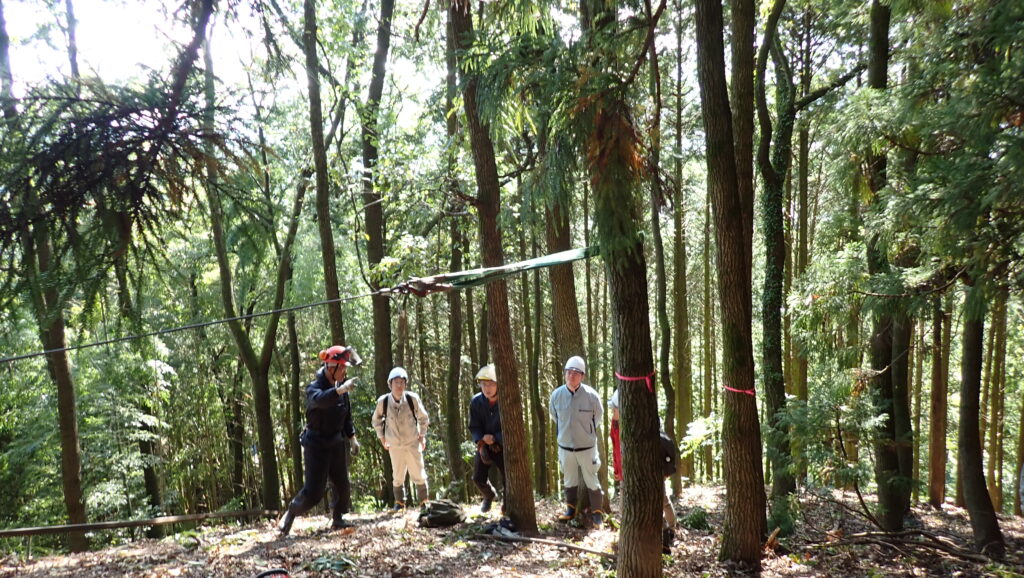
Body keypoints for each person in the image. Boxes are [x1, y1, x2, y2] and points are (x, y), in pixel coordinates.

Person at [278, 345, 362, 535]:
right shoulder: (314, 388)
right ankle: (291, 513)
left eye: (345, 368)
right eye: (341, 368)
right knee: (314, 494)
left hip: (336, 443)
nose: (344, 371)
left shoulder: (343, 389)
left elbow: (346, 416)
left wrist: (352, 438)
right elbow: (320, 400)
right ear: (330, 367)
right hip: (316, 445)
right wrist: (339, 391)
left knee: (343, 486)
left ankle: (338, 518)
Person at [549, 355, 605, 527]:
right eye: (569, 372)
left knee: (592, 480)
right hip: (565, 447)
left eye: (576, 373)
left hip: (587, 448)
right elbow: (554, 416)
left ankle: (597, 514)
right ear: (564, 373)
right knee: (569, 479)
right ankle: (570, 509)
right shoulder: (556, 395)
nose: (571, 375)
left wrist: (585, 432)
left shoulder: (591, 396)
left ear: (582, 376)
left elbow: (598, 417)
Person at [372, 366, 430, 509]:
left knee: (419, 472)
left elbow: (423, 418)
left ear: (405, 384)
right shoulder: (383, 402)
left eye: (402, 382)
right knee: (397, 475)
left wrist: (422, 436)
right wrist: (382, 439)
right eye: (396, 382)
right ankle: (399, 502)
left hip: (412, 442)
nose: (399, 385)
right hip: (394, 444)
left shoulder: (412, 399)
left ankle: (424, 501)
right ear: (390, 384)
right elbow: (376, 421)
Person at [469, 364, 504, 513]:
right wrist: (481, 441)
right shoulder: (476, 402)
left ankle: (508, 504)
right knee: (477, 477)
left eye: (491, 384)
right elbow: (474, 426)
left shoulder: (506, 401)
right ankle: (489, 496)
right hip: (484, 443)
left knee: (508, 478)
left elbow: (512, 428)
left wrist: (496, 438)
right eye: (484, 384)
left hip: (503, 445)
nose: (487, 388)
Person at [608, 388, 622, 485]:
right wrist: (617, 469)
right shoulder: (615, 423)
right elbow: (615, 447)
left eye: (615, 409)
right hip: (622, 474)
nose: (612, 411)